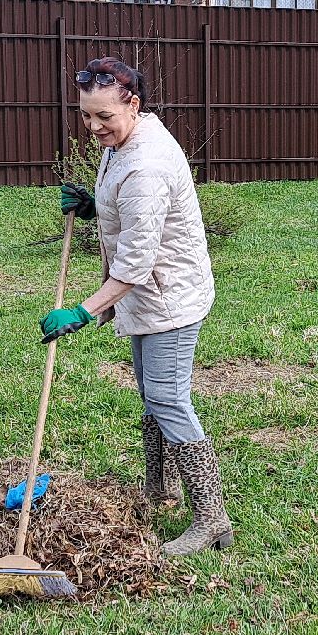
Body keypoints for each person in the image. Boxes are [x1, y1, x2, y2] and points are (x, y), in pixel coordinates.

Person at [39, 57, 232, 557]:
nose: (94, 127)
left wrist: (83, 312)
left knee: (167, 398)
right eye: (86, 116)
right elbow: (125, 207)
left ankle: (212, 518)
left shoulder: (147, 164)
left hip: (169, 297)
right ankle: (159, 490)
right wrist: (95, 206)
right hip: (150, 293)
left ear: (134, 104)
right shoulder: (123, 141)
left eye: (104, 116)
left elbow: (135, 264)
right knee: (152, 393)